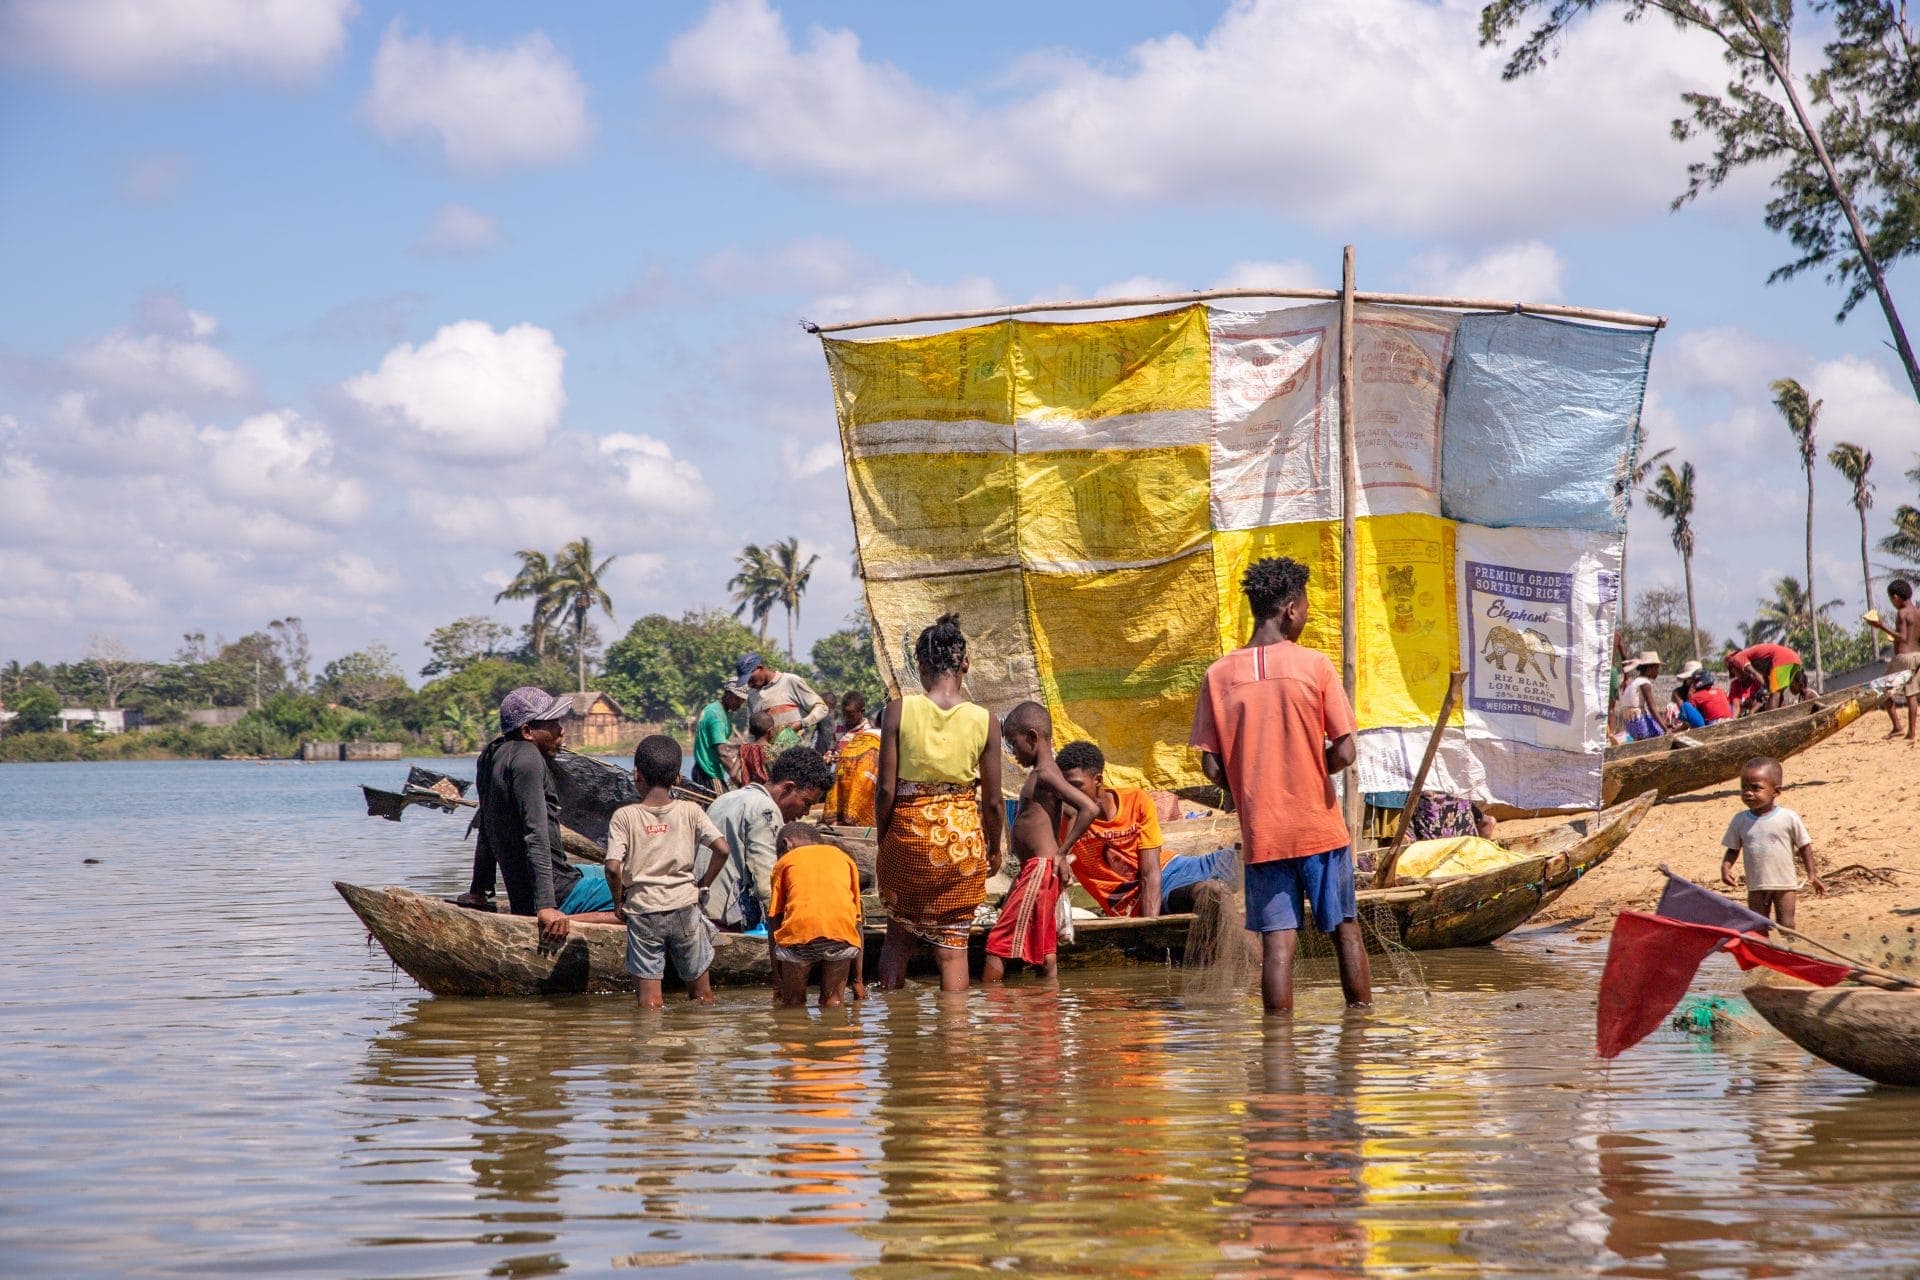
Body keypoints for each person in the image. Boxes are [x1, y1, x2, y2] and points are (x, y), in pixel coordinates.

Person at [1190, 557, 1370, 1015]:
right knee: (1346, 931)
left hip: (1263, 835)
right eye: (1306, 606)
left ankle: (1279, 1060)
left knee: (1277, 947)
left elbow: (1212, 769)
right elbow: (1345, 752)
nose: (1306, 615)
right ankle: (1362, 1035)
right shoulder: (1315, 665)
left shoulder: (1218, 675)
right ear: (1290, 609)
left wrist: (1252, 781)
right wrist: (1311, 766)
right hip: (1319, 829)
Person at [874, 613, 1005, 992]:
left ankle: (897, 1040)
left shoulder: (898, 710)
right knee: (953, 949)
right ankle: (958, 1043)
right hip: (962, 843)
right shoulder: (986, 720)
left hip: (908, 838)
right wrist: (994, 848)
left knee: (897, 939)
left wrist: (886, 838)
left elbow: (884, 789)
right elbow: (993, 802)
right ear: (965, 663)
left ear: (920, 665)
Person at [457, 687, 618, 938]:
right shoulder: (528, 760)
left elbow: (487, 826)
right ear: (526, 731)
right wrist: (546, 906)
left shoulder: (490, 754)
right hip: (557, 894)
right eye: (552, 723)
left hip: (549, 881)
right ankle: (567, 919)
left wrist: (478, 891)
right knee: (642, 891)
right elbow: (536, 834)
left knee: (610, 872)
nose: (561, 730)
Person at [605, 735, 732, 1008]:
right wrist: (702, 884)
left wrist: (618, 901)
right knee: (702, 997)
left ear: (636, 773)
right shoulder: (691, 810)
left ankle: (652, 1046)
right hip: (685, 907)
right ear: (677, 778)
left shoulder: (625, 817)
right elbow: (722, 849)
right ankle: (700, 1044)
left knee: (650, 1003)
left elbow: (613, 867)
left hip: (644, 911)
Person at [983, 703, 1100, 982]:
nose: (1013, 753)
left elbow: (1089, 809)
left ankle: (988, 1013)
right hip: (1037, 870)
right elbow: (1070, 811)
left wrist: (1061, 853)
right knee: (1046, 953)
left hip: (1039, 870)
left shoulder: (1046, 773)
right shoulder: (1045, 774)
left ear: (1033, 737)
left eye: (1013, 744)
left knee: (997, 946)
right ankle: (1046, 1015)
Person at [1054, 739, 1234, 917]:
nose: (1069, 793)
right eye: (1064, 787)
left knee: (1246, 861)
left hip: (1175, 868)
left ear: (1098, 780)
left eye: (1076, 786)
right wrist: (1150, 929)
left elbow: (1151, 872)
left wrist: (1149, 923)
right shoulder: (1062, 823)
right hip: (1159, 894)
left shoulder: (1135, 800)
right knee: (1208, 892)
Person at [704, 746, 835, 932]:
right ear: (788, 788)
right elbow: (767, 885)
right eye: (806, 803)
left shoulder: (727, 798)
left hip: (703, 911)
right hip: (724, 922)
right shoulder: (766, 810)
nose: (805, 812)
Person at [766, 821, 866, 1007]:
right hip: (840, 935)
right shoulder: (844, 859)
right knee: (834, 1001)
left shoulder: (784, 863)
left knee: (793, 1003)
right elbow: (857, 922)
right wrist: (858, 981)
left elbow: (774, 920)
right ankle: (836, 1035)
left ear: (787, 845)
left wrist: (778, 980)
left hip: (798, 935)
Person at [1719, 755, 1825, 927]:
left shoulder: (1788, 817)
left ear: (1775, 792)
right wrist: (1726, 867)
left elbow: (1804, 846)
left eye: (1755, 788)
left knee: (1787, 923)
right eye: (1743, 788)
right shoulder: (1740, 820)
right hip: (1756, 884)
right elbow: (1733, 849)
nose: (1747, 793)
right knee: (1758, 924)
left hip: (1784, 883)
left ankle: (1791, 951)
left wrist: (1812, 874)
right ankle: (1764, 952)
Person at [738, 652, 830, 751]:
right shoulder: (752, 696)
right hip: (766, 757)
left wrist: (801, 724)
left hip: (791, 752)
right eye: (747, 682)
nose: (749, 685)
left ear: (760, 668)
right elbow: (752, 733)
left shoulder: (789, 681)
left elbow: (822, 708)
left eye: (750, 679)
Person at [1867, 577, 1920, 740]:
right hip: (1916, 655)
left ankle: (1897, 726)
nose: (1892, 602)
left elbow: (1903, 637)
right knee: (1911, 694)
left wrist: (1880, 626)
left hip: (1903, 657)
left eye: (1891, 599)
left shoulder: (1902, 613)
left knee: (1880, 689)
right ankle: (1911, 732)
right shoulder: (1917, 612)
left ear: (1896, 597)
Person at [826, 692, 881, 827]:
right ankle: (837, 819)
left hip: (858, 772)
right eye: (845, 714)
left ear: (862, 712)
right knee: (837, 785)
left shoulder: (868, 732)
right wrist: (829, 755)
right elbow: (833, 749)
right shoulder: (839, 728)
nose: (847, 718)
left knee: (855, 795)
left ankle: (853, 820)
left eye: (851, 714)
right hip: (841, 769)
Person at [691, 683, 746, 793]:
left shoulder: (718, 710)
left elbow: (718, 743)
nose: (740, 703)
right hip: (709, 771)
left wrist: (739, 748)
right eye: (737, 699)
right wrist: (738, 781)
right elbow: (723, 754)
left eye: (742, 700)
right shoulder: (716, 716)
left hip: (705, 769)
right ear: (727, 694)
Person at [1725, 643, 1804, 710]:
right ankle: (1783, 717)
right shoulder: (1755, 660)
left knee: (1775, 692)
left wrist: (1767, 689)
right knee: (1779, 693)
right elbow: (1764, 676)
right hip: (1794, 658)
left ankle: (1771, 723)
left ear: (1733, 667)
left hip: (1782, 659)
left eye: (1734, 674)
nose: (1737, 677)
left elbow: (1755, 673)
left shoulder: (1736, 658)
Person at [1618, 652, 1665, 740]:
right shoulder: (1644, 683)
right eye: (1656, 668)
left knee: (1658, 723)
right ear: (1649, 668)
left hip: (1631, 727)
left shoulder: (1635, 681)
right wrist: (1666, 729)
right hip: (1640, 726)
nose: (1657, 672)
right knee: (1661, 732)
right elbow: (1652, 708)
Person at [738, 711, 775, 786]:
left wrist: (741, 786)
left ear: (751, 731)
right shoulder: (772, 750)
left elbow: (732, 774)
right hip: (766, 793)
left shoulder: (744, 749)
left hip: (748, 793)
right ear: (770, 731)